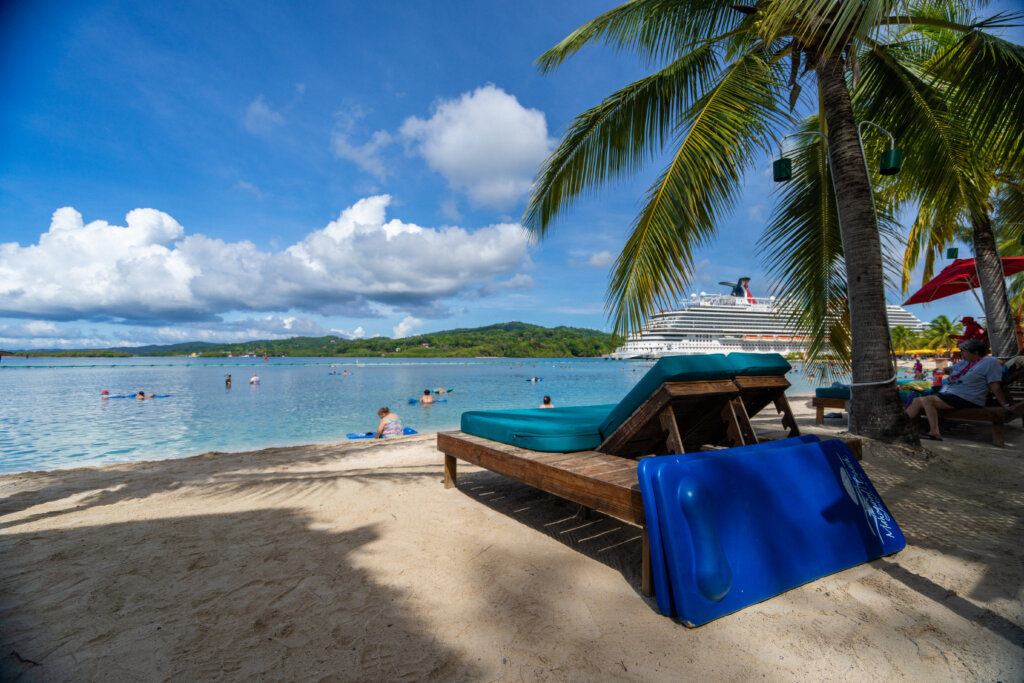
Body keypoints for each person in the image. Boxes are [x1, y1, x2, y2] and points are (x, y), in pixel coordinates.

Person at [906, 339, 1014, 440]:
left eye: (964, 352)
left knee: (928, 400)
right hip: (951, 393)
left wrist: (1004, 404)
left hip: (968, 397)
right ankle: (900, 426)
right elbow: (951, 370)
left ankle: (934, 432)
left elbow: (995, 385)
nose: (961, 354)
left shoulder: (990, 363)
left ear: (975, 353)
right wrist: (941, 370)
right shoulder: (965, 362)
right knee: (917, 401)